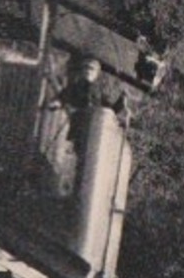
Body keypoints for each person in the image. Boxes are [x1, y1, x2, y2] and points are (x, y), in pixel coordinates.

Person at [49, 54, 127, 182]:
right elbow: (63, 97)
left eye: (91, 69)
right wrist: (56, 103)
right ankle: (73, 179)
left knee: (90, 155)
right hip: (79, 124)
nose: (88, 71)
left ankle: (85, 180)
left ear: (96, 74)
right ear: (82, 71)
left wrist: (121, 102)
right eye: (85, 68)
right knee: (78, 152)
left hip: (94, 127)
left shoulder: (98, 93)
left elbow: (109, 110)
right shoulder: (75, 87)